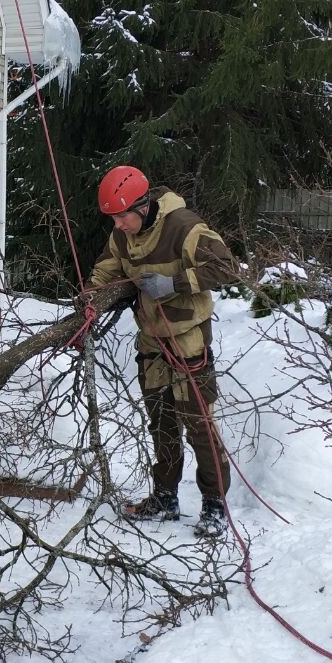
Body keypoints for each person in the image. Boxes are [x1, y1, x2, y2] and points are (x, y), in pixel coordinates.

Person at [87, 165, 237, 537]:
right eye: (113, 218)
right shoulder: (122, 236)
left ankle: (215, 504)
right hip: (152, 342)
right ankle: (165, 498)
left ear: (142, 206)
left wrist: (175, 282)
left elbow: (227, 268)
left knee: (199, 426)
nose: (118, 225)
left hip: (189, 340)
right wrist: (89, 299)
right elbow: (105, 271)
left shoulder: (183, 227)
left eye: (122, 217)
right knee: (162, 424)